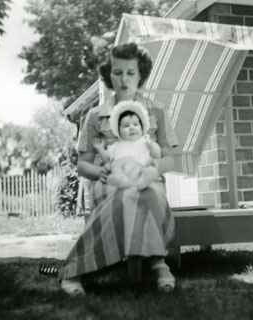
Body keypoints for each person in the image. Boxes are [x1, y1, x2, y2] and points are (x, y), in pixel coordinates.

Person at [58, 42, 178, 296]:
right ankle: (76, 269)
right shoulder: (94, 116)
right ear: (108, 75)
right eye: (117, 72)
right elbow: (82, 163)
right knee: (122, 196)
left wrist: (154, 170)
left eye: (130, 73)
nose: (124, 80)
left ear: (141, 74)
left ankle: (157, 262)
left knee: (148, 194)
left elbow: (169, 157)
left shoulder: (156, 110)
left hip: (147, 178)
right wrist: (97, 172)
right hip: (109, 179)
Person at [92, 100, 161, 190]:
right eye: (126, 126)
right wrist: (100, 149)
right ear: (118, 131)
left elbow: (157, 155)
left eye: (136, 124)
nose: (132, 128)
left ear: (142, 127)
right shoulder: (116, 146)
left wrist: (152, 146)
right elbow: (107, 161)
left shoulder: (145, 142)